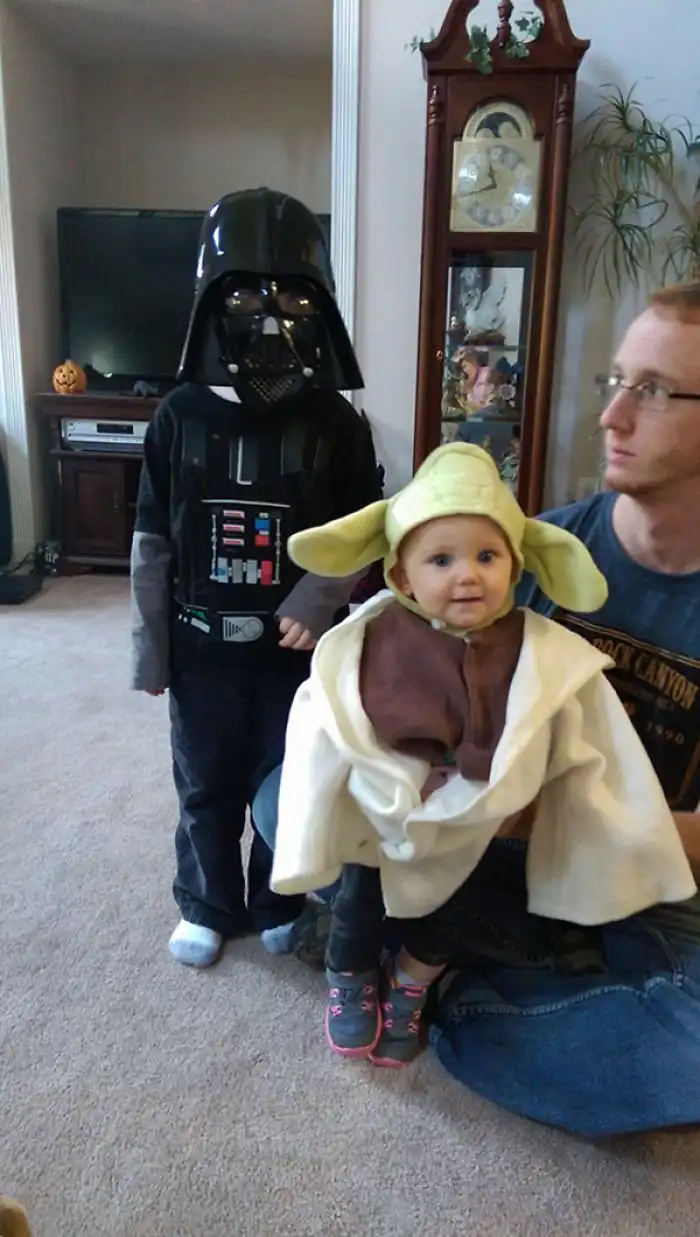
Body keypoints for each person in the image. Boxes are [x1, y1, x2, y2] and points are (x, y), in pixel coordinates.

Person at [269, 442, 695, 1067]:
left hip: (478, 823)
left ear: (517, 567)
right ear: (401, 577)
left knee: (452, 913)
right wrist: (376, 778)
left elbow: (577, 731)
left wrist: (526, 788)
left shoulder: (535, 646)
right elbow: (330, 716)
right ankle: (350, 975)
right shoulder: (373, 634)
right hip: (382, 815)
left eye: (487, 557)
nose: (467, 575)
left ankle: (413, 980)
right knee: (351, 890)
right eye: (441, 560)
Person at [427, 281, 700, 1137]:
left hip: (663, 890)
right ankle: (521, 956)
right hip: (505, 852)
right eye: (617, 381)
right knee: (286, 799)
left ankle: (458, 981)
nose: (611, 415)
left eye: (653, 390)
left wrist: (564, 816)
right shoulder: (535, 554)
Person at [130, 187, 380, 969]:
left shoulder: (335, 422)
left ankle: (278, 899)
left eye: (292, 299)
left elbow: (366, 527)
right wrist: (151, 646)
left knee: (289, 780)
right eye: (244, 296)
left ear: (319, 306)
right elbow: (151, 538)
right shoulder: (178, 415)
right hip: (201, 647)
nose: (270, 318)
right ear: (212, 301)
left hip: (292, 657)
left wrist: (318, 595)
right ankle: (207, 902)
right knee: (205, 783)